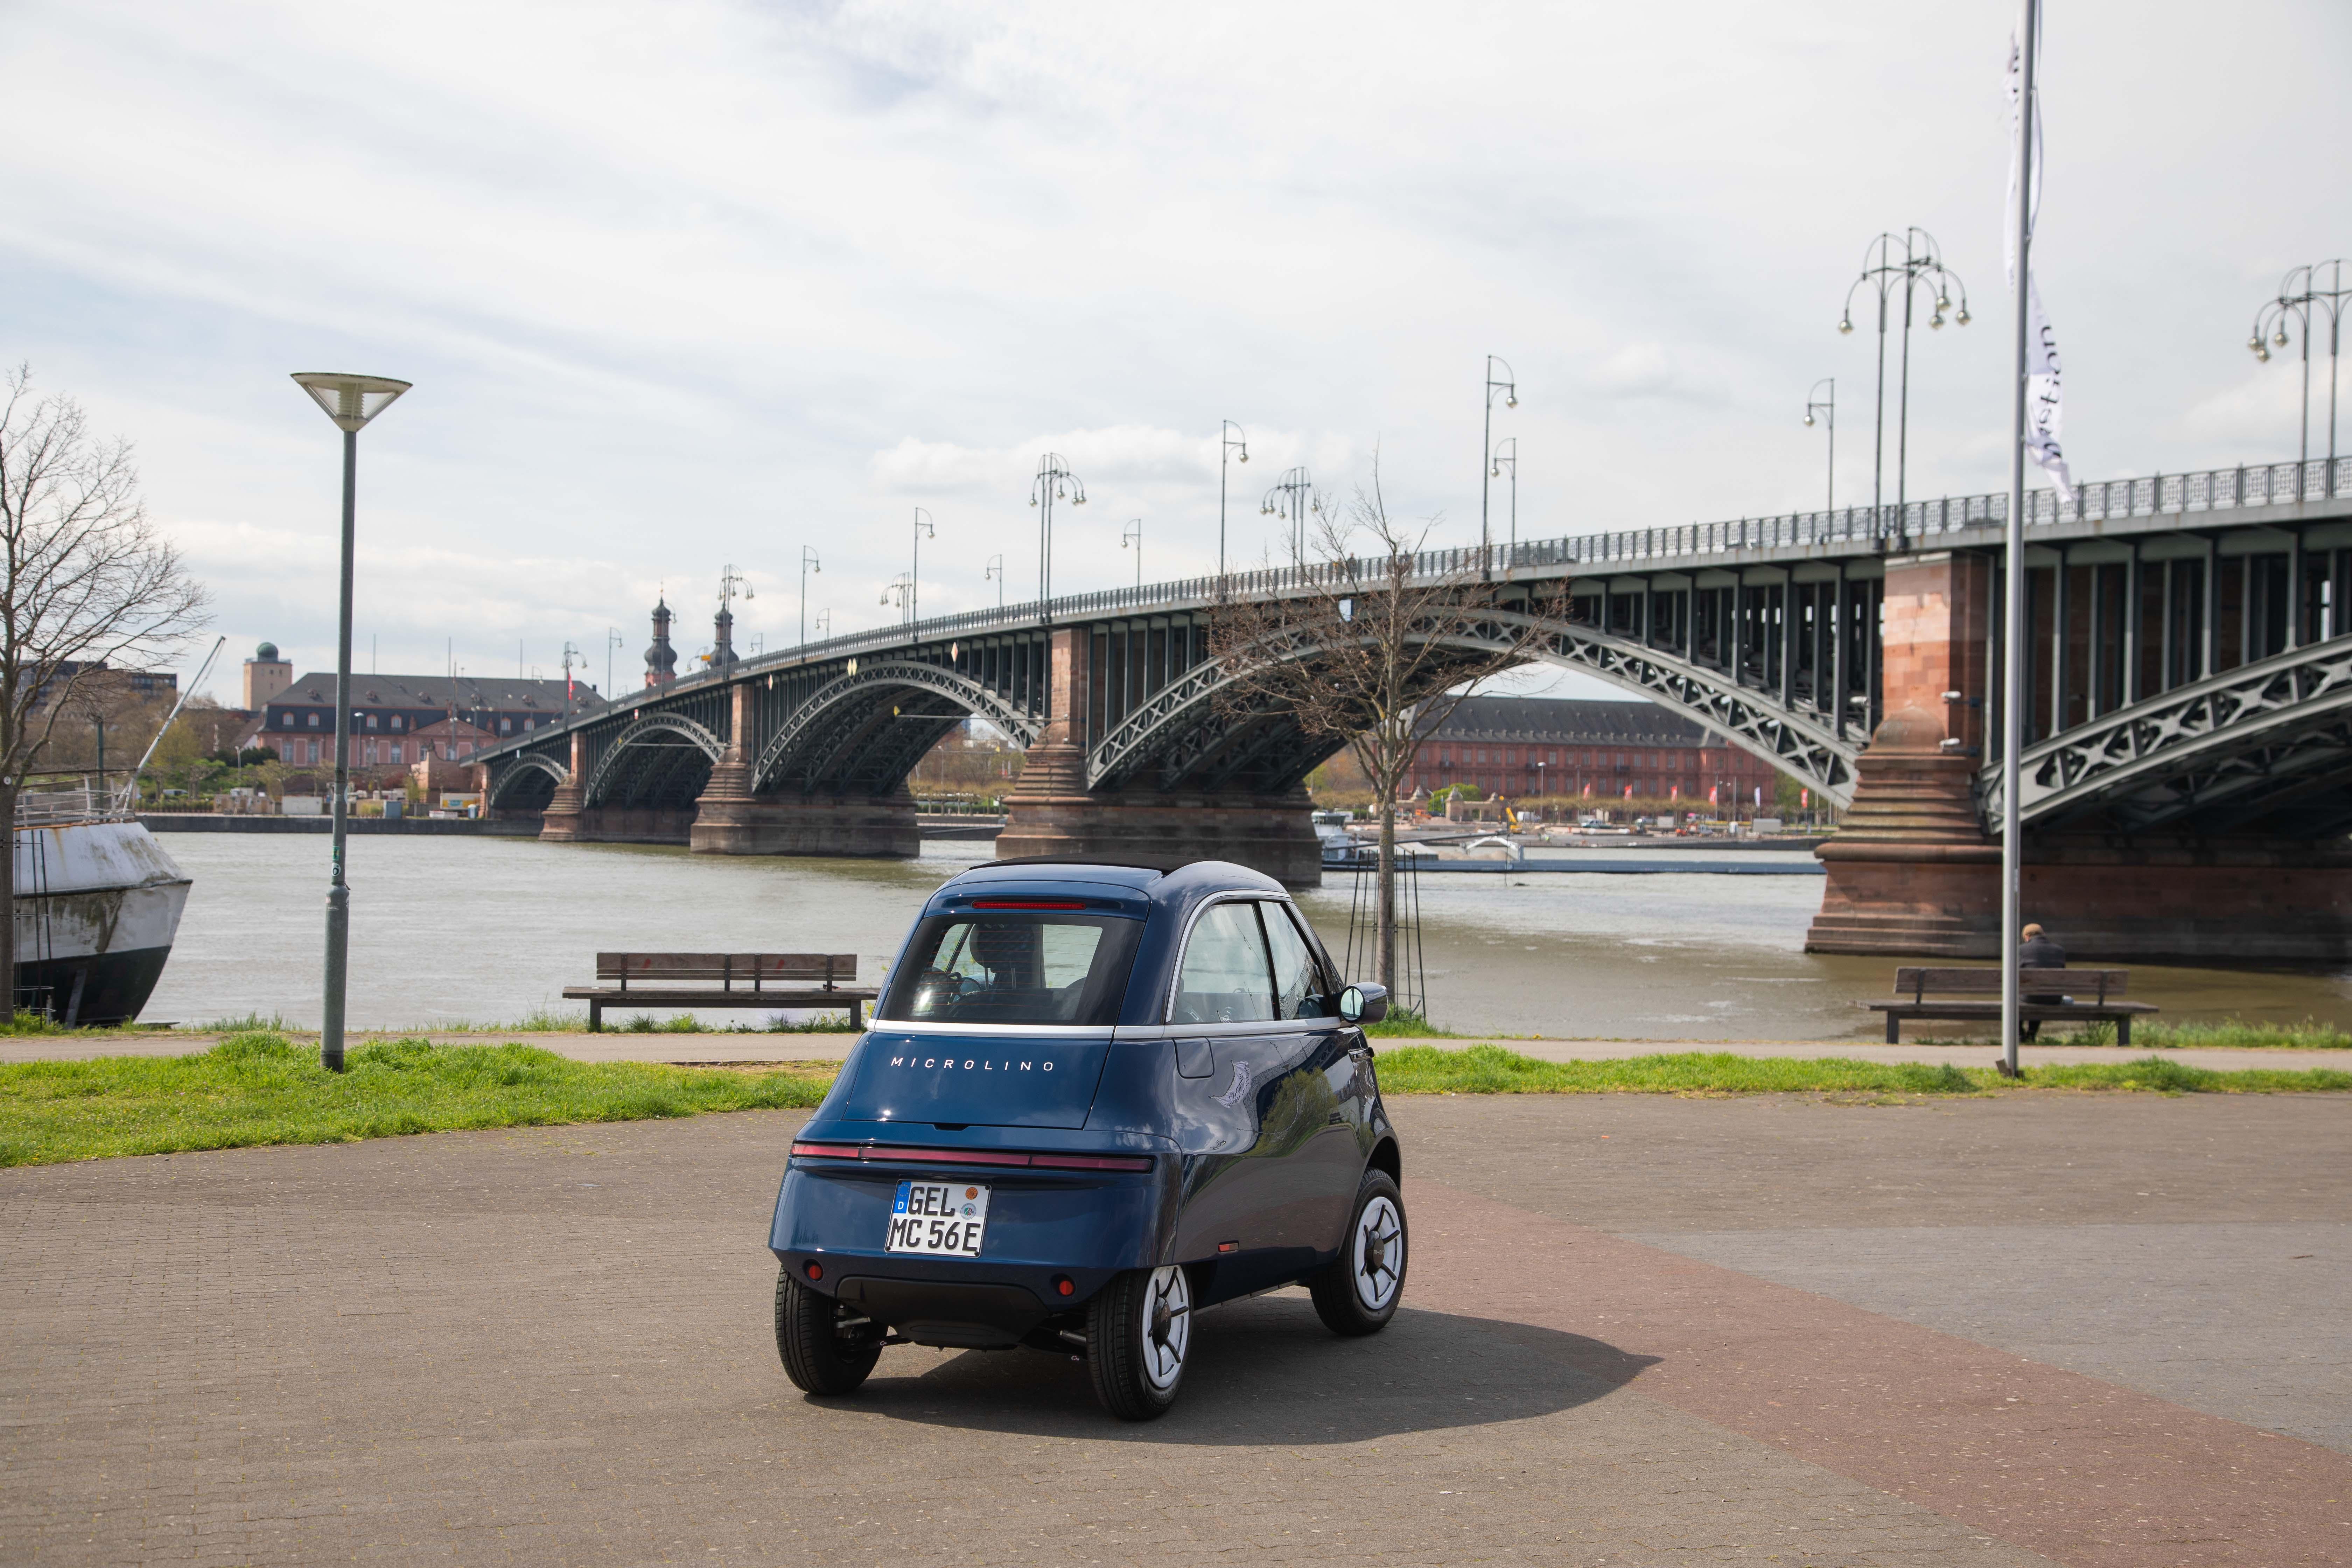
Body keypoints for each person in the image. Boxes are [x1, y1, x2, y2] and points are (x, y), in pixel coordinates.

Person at [2017, 923, 2066, 1040]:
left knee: (2019, 998)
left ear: (2027, 937)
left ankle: (2020, 1034)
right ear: (2044, 935)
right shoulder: (2060, 950)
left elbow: (2014, 974)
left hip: (2030, 997)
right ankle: (2032, 1033)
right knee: (2041, 991)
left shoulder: (2021, 950)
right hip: (2053, 998)